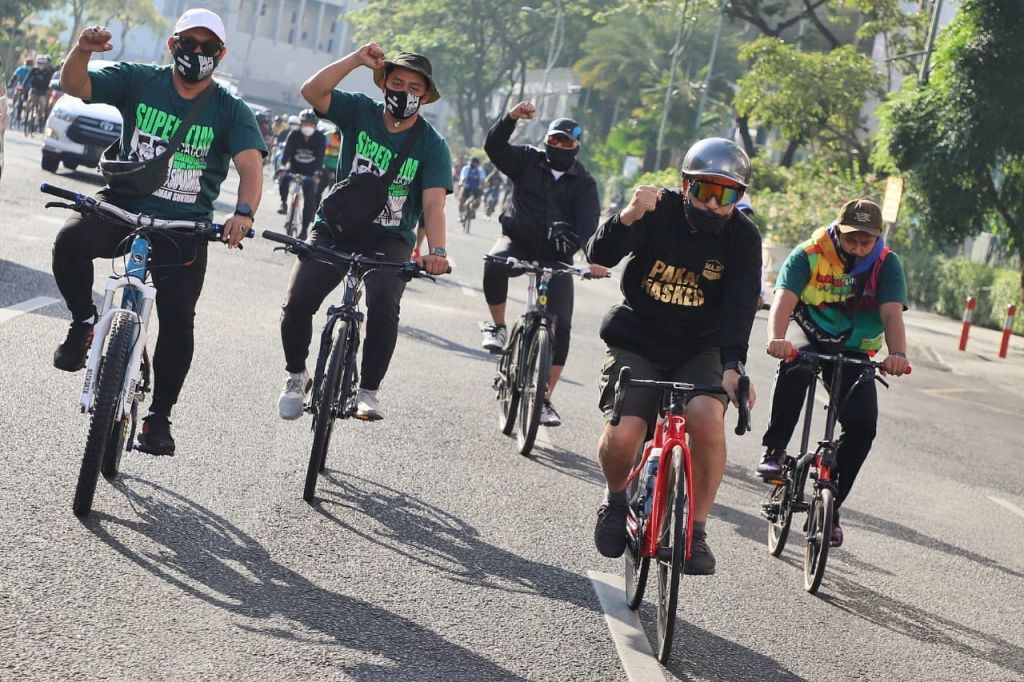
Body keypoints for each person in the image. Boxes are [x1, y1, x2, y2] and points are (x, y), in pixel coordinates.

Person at [50, 10, 267, 456]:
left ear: (221, 55)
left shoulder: (231, 109)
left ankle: (158, 418)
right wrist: (83, 50)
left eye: (208, 48)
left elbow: (250, 165)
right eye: (189, 43)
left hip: (184, 228)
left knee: (178, 319)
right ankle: (83, 324)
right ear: (172, 45)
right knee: (69, 240)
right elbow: (76, 86)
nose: (198, 53)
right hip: (123, 205)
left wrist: (243, 213)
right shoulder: (139, 80)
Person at [586, 137, 762, 573]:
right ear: (685, 186)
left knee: (706, 417)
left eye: (728, 196)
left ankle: (696, 530)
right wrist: (627, 216)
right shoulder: (655, 210)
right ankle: (614, 500)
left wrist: (734, 366)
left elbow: (741, 307)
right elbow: (599, 255)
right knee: (626, 433)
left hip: (701, 347)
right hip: (639, 337)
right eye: (705, 191)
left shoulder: (743, 236)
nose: (714, 205)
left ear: (739, 198)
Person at [277, 43, 451, 421]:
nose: (405, 92)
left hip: (390, 240)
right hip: (337, 227)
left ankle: (368, 390)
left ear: (424, 96)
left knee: (385, 302)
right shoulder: (358, 111)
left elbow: (434, 204)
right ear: (384, 84)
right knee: (297, 301)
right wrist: (356, 60)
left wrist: (437, 250)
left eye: (415, 88)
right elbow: (312, 92)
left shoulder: (433, 145)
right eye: (398, 82)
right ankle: (295, 375)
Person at [755, 199, 910, 547]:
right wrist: (777, 339)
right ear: (837, 231)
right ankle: (775, 451)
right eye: (851, 239)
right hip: (807, 332)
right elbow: (783, 301)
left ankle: (831, 505)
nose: (857, 247)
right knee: (797, 365)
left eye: (865, 241)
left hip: (855, 346)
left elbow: (891, 314)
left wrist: (897, 354)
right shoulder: (809, 252)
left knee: (863, 426)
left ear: (878, 238)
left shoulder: (887, 265)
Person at [480, 103, 606, 427]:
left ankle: (544, 397)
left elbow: (590, 227)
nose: (560, 147)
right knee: (494, 262)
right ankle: (497, 326)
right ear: (547, 140)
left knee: (561, 325)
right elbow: (494, 147)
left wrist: (591, 259)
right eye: (556, 140)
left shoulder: (586, 183)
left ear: (577, 147)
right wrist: (510, 119)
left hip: (557, 257)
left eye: (568, 143)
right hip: (518, 242)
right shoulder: (526, 160)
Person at [275, 108, 325, 240]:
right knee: (283, 178)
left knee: (309, 201)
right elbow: (287, 152)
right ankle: (283, 203)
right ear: (300, 124)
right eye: (305, 124)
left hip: (310, 172)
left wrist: (318, 173)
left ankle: (303, 230)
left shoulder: (320, 138)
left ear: (315, 126)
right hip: (294, 167)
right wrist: (282, 166)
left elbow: (320, 156)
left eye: (311, 125)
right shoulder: (293, 135)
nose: (308, 127)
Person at [316, 124, 342, 206]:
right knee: (318, 189)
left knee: (334, 192)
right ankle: (315, 207)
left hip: (338, 167)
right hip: (325, 164)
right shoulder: (327, 136)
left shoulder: (348, 137)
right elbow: (319, 152)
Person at [24, 55, 55, 119]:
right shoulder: (34, 70)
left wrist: (49, 89)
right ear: (37, 63)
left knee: (42, 104)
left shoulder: (48, 72)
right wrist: (22, 85)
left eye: (42, 63)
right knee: (29, 100)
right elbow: (27, 78)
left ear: (45, 64)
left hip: (43, 92)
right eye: (39, 63)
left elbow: (49, 82)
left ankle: (39, 116)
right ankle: (25, 116)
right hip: (34, 90)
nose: (40, 65)